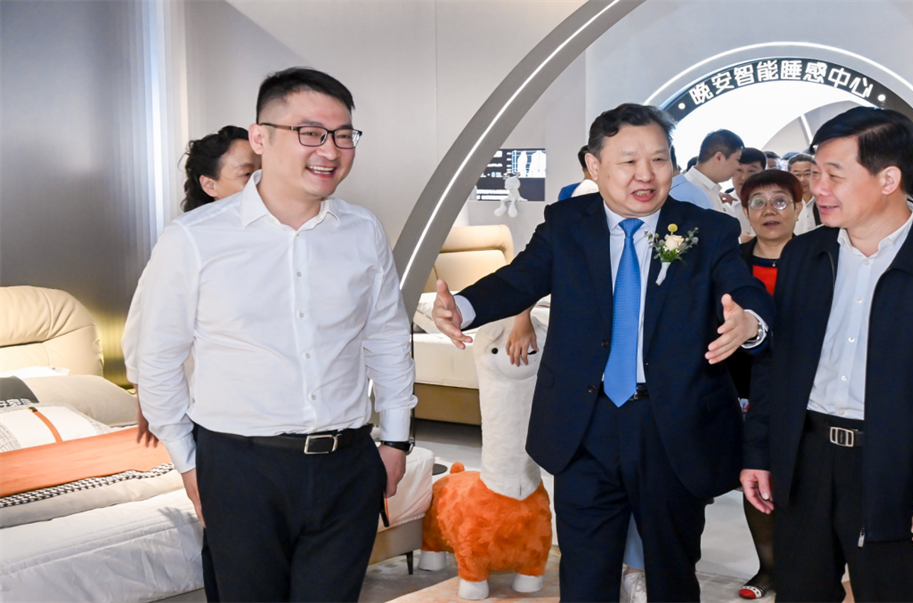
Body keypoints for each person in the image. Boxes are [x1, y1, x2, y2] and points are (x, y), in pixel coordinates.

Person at [432, 103, 774, 603]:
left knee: (671, 570)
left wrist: (750, 322)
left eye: (659, 159)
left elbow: (746, 291)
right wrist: (462, 307)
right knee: (586, 572)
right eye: (628, 161)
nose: (646, 175)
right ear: (593, 166)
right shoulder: (568, 223)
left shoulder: (705, 229)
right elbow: (520, 279)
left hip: (672, 424)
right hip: (584, 423)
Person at [133, 68, 417, 603]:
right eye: (310, 133)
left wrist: (397, 440)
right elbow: (158, 359)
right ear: (260, 137)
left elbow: (387, 337)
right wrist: (188, 463)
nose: (330, 150)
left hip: (347, 462)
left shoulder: (363, 230)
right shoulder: (193, 239)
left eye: (343, 135)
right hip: (240, 468)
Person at [741, 107, 913, 603]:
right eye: (815, 173)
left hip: (895, 465)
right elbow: (776, 363)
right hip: (805, 458)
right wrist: (758, 451)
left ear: (889, 179)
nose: (817, 188)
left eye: (835, 175)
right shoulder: (804, 255)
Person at [121, 124, 259, 603]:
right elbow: (145, 328)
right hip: (215, 420)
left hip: (273, 424)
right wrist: (148, 395)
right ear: (210, 184)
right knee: (231, 550)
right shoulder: (187, 243)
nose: (261, 183)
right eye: (247, 174)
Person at [724, 170, 804, 600]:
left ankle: (803, 569)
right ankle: (769, 567)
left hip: (801, 388)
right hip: (738, 384)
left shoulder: (819, 258)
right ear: (745, 211)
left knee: (801, 478)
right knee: (754, 474)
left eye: (780, 201)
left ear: (799, 208)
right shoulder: (730, 262)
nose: (769, 210)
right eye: (757, 202)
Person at [670, 129, 751, 240]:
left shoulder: (709, 189)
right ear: (718, 157)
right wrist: (739, 240)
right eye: (737, 159)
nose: (738, 166)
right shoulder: (689, 192)